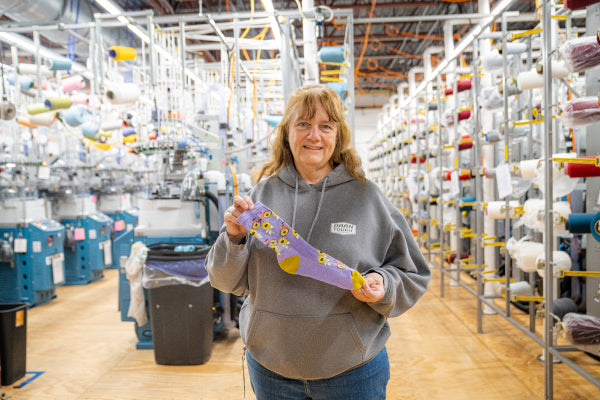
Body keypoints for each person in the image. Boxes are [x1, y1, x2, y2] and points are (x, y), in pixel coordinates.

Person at [206, 84, 431, 400]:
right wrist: (233, 238)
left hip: (352, 371)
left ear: (338, 136)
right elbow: (225, 281)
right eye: (303, 124)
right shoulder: (260, 198)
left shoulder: (367, 198)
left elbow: (412, 272)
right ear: (287, 133)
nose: (314, 135)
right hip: (272, 370)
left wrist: (383, 283)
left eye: (325, 126)